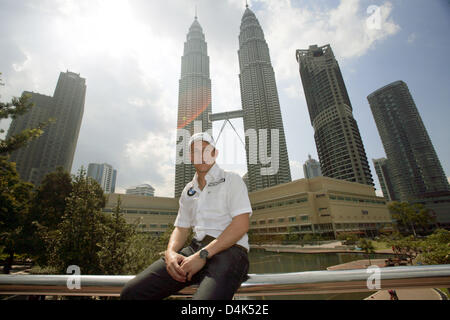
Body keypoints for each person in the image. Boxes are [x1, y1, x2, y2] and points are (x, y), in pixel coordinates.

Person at [120, 132, 252, 300]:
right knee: (131, 293)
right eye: (196, 152)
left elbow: (241, 225)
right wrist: (170, 253)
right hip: (195, 250)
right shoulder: (189, 189)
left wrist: (202, 255)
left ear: (215, 153)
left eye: (205, 150)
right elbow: (181, 228)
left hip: (230, 253)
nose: (201, 156)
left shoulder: (232, 180)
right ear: (190, 157)